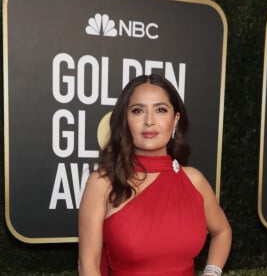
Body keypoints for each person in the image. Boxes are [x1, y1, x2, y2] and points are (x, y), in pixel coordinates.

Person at [78, 74, 232, 276]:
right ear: (125, 120)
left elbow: (222, 232)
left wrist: (212, 273)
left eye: (160, 110)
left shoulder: (194, 180)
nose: (149, 121)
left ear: (175, 119)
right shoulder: (103, 183)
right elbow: (88, 265)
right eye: (138, 111)